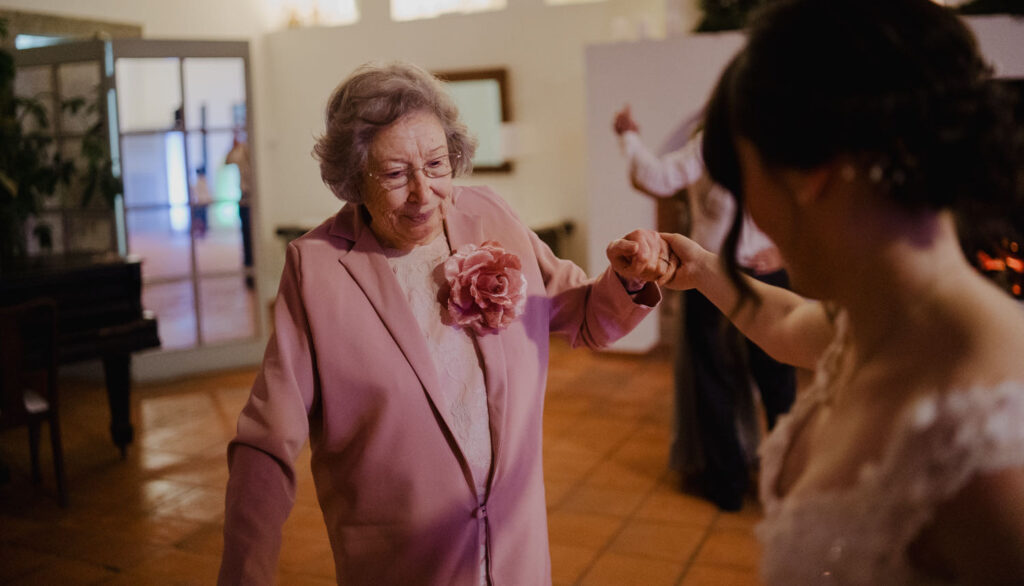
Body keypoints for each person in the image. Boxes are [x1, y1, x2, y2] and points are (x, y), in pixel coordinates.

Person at [218, 61, 673, 585]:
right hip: (403, 567)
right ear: (353, 177)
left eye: (436, 164)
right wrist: (245, 573)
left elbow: (587, 313)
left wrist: (627, 277)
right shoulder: (316, 268)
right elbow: (267, 439)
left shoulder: (489, 214)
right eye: (395, 174)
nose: (424, 192)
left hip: (516, 559)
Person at [646, 0, 1024, 584]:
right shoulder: (879, 320)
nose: (751, 211)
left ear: (813, 174)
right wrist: (704, 268)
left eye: (745, 177)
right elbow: (787, 322)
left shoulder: (997, 451)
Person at [613, 106, 796, 511]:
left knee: (744, 380)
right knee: (753, 380)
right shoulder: (729, 145)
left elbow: (656, 177)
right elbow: (658, 178)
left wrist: (628, 137)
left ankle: (748, 483)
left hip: (734, 276)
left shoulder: (730, 144)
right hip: (714, 275)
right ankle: (757, 483)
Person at [224, 131, 254, 287]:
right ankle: (250, 276)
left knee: (254, 238)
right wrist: (234, 146)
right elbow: (228, 161)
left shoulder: (255, 150)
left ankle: (254, 274)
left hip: (256, 198)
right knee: (247, 239)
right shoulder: (241, 150)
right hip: (245, 197)